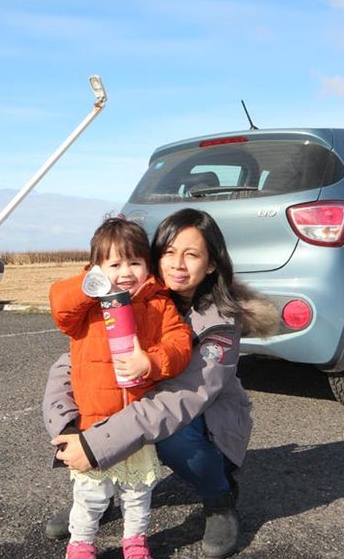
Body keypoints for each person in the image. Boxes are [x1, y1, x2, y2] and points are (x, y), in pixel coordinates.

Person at [44, 208, 280, 558]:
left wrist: (94, 447)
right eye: (168, 252)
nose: (177, 264)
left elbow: (178, 400)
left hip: (201, 417)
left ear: (212, 264)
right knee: (97, 399)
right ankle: (103, 494)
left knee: (172, 435)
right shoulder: (135, 297)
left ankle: (219, 496)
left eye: (192, 254)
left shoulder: (221, 323)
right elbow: (71, 363)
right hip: (137, 407)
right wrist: (69, 424)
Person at [49, 217, 193, 559]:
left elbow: (180, 342)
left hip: (135, 423)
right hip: (94, 422)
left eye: (134, 262)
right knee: (91, 494)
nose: (125, 272)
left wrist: (152, 363)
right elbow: (60, 307)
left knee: (138, 492)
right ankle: (81, 542)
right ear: (96, 268)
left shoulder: (159, 303)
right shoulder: (87, 306)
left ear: (148, 265)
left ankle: (135, 541)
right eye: (114, 264)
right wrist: (89, 285)